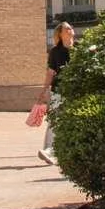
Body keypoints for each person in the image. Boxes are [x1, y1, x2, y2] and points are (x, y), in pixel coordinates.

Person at [37, 21, 76, 164]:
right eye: (67, 29)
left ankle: (67, 151)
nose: (70, 30)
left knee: (72, 121)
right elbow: (50, 72)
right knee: (55, 120)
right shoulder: (55, 51)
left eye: (70, 28)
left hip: (75, 91)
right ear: (60, 34)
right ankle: (48, 150)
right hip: (58, 91)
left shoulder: (79, 48)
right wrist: (44, 90)